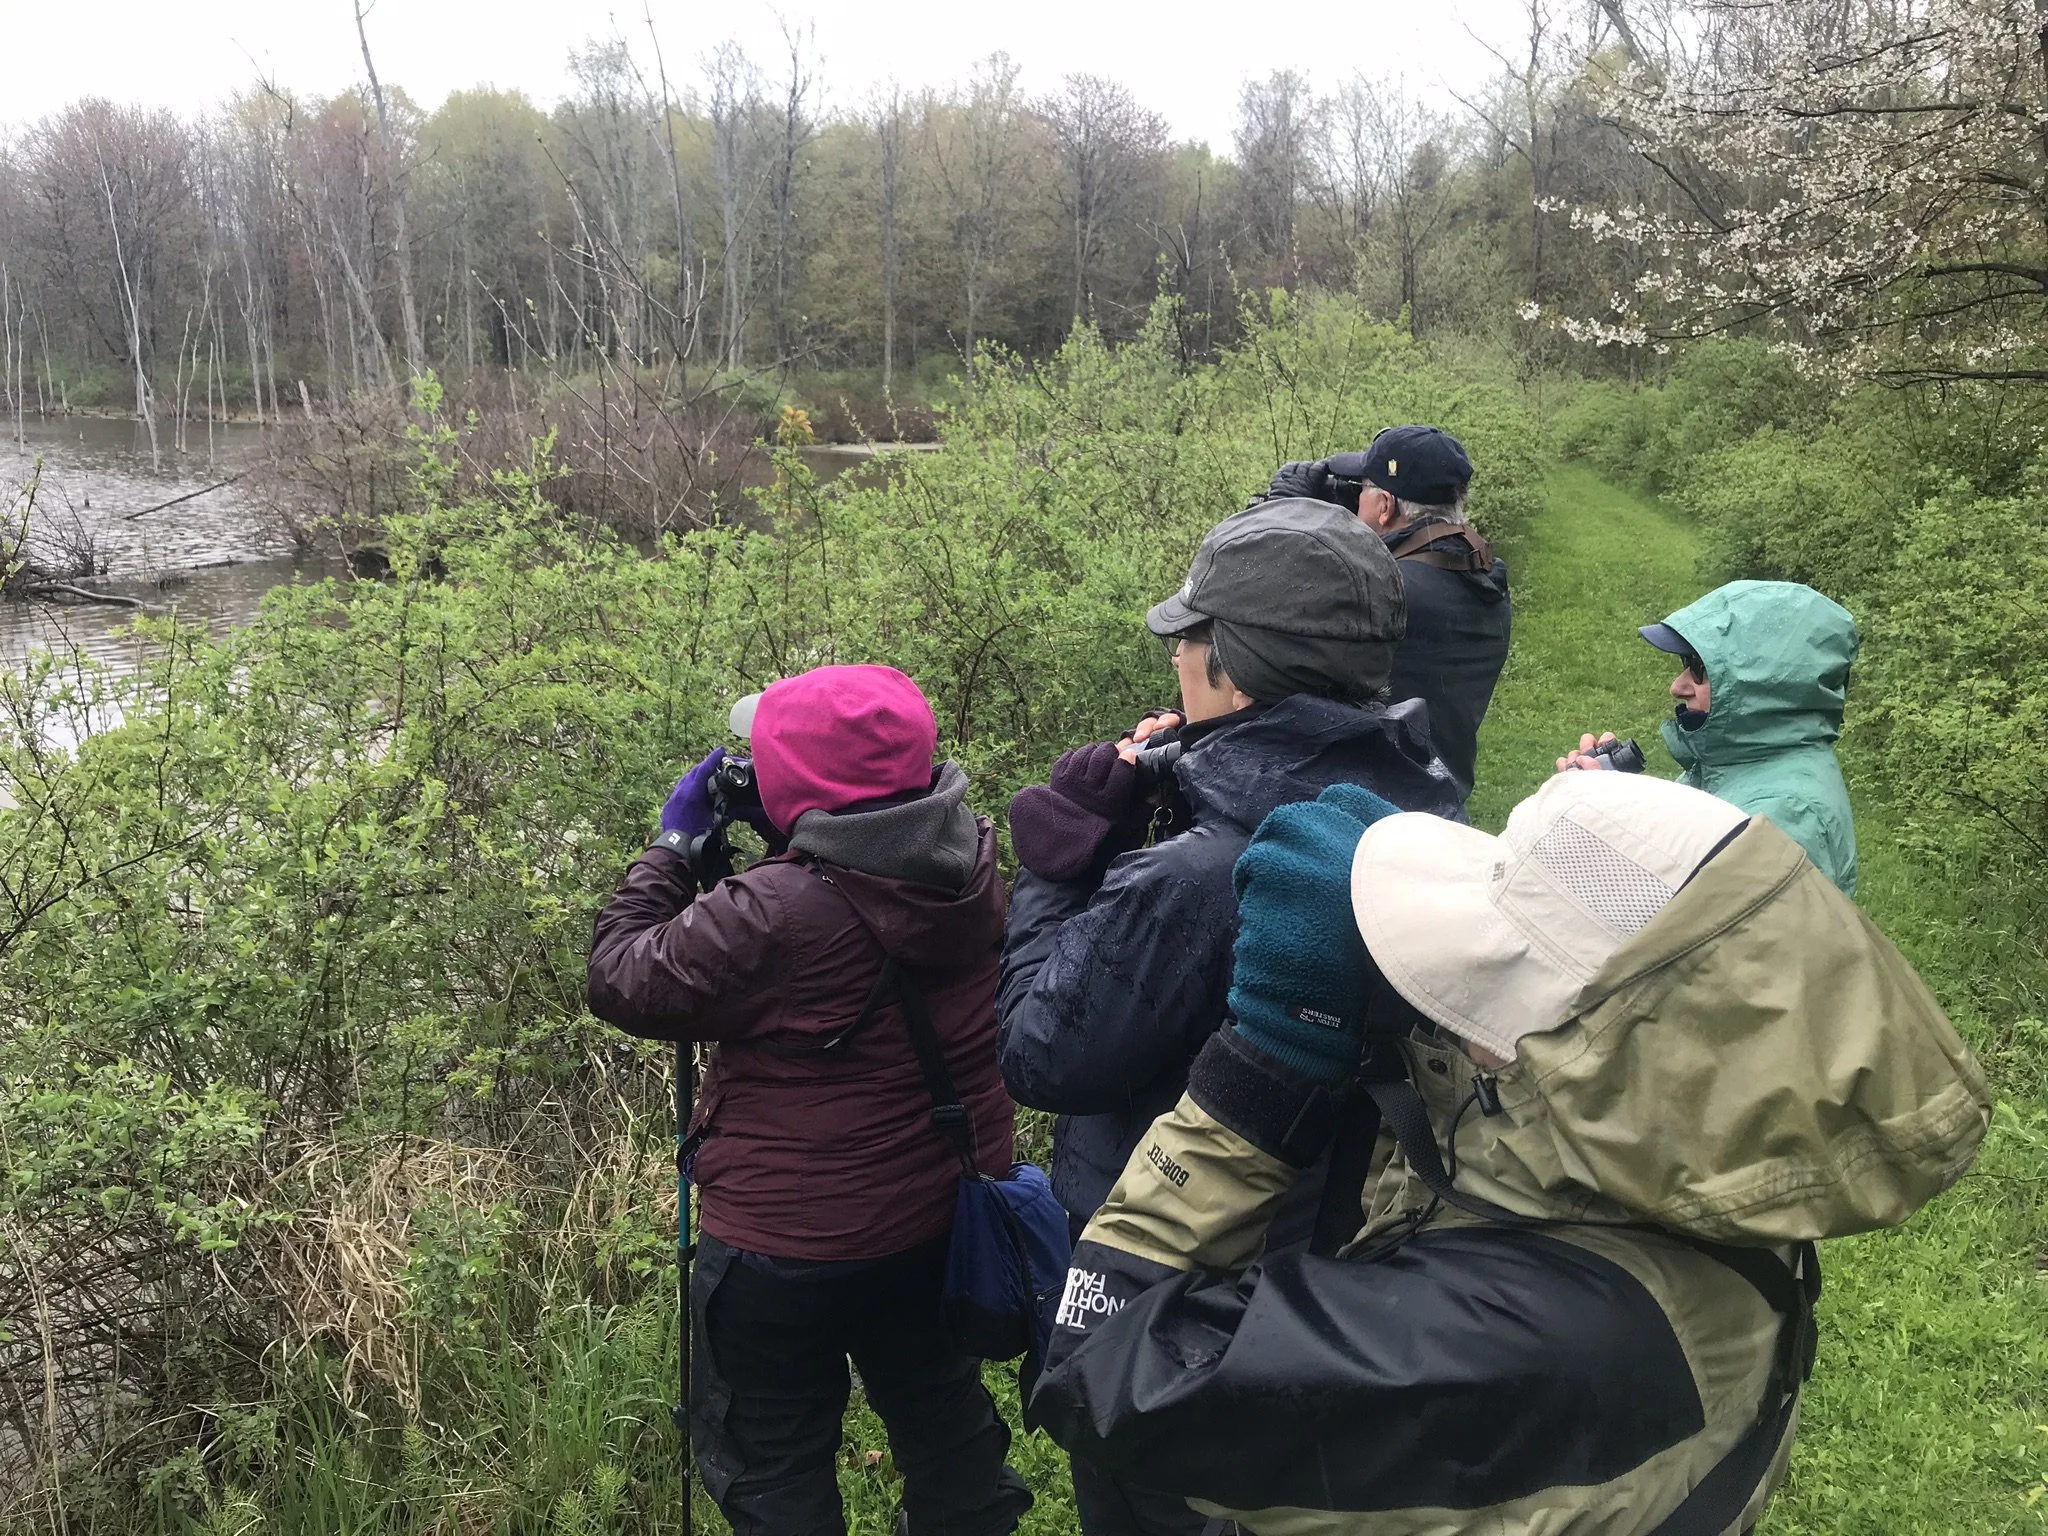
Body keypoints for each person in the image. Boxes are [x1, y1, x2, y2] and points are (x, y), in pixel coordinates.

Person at [1031, 770, 1989, 1536]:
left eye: (1495, 988)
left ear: (1600, 1051)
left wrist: (1272, 1057)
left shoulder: (1522, 1345)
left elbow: (1107, 1373)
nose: (1458, 1015)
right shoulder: (1710, 1158)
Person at [998, 500, 1463, 1536]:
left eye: (1187, 637)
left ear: (1229, 663)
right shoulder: (1419, 799)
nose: (1175, 659)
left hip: (1179, 1257)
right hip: (1345, 1239)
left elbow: (1040, 1054)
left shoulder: (1199, 873)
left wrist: (1055, 872)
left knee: (1149, 1489)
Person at [586, 663, 1033, 1536]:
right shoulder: (971, 859)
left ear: (799, 785)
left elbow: (621, 976)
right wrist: (799, 836)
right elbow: (863, 891)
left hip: (787, 1246)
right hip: (937, 1214)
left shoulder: (771, 910)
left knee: (773, 1464)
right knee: (944, 1423)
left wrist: (676, 849)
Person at [1560, 578, 1860, 893]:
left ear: (1764, 685)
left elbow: (1671, 926)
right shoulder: (1734, 764)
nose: (1677, 686)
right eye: (1685, 663)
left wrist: (1590, 829)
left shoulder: (1784, 818)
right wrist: (1615, 802)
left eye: (1699, 668)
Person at [1262, 425, 1511, 803]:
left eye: (1362, 488)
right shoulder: (1485, 578)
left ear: (1385, 506)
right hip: (1440, 789)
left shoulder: (1385, 594)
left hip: (1369, 805)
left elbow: (1261, 628)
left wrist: (1280, 517)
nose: (1355, 499)